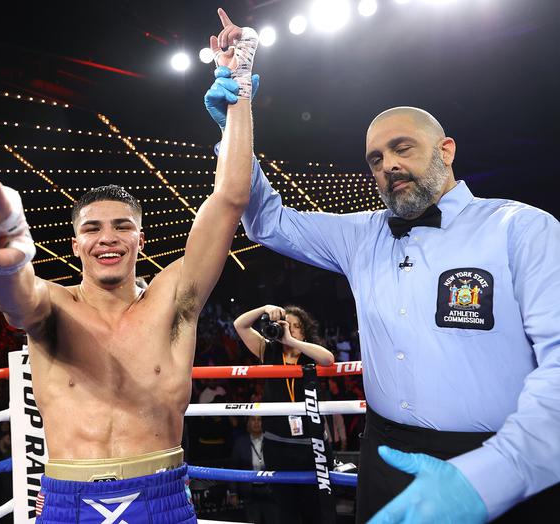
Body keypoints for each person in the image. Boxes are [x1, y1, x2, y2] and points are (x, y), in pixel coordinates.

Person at [206, 71, 560, 522]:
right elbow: (267, 222)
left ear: (446, 151)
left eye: (402, 148)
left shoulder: (522, 228)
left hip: (501, 460)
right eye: (375, 158)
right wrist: (234, 130)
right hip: (384, 455)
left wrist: (496, 470)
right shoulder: (361, 233)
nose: (387, 164)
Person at [0, 8, 257, 522]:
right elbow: (18, 300)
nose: (106, 239)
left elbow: (229, 199)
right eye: (92, 229)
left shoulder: (174, 298)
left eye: (120, 227)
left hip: (161, 497)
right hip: (68, 503)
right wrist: (6, 264)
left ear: (141, 238)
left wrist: (240, 89)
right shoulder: (53, 305)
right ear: (75, 245)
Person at [233, 304, 335, 523]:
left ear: (305, 332)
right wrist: (264, 308)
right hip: (278, 445)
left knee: (316, 512)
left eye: (296, 326)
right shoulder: (268, 350)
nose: (290, 328)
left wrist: (292, 341)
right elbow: (239, 325)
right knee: (285, 512)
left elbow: (328, 359)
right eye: (286, 324)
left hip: (311, 445)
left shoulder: (309, 353)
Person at [229, 416, 279, 524]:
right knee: (252, 520)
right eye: (253, 420)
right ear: (248, 423)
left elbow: (279, 464)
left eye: (259, 420)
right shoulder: (240, 442)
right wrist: (233, 492)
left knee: (274, 520)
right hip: (249, 491)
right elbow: (234, 467)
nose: (256, 423)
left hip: (270, 489)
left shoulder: (271, 440)